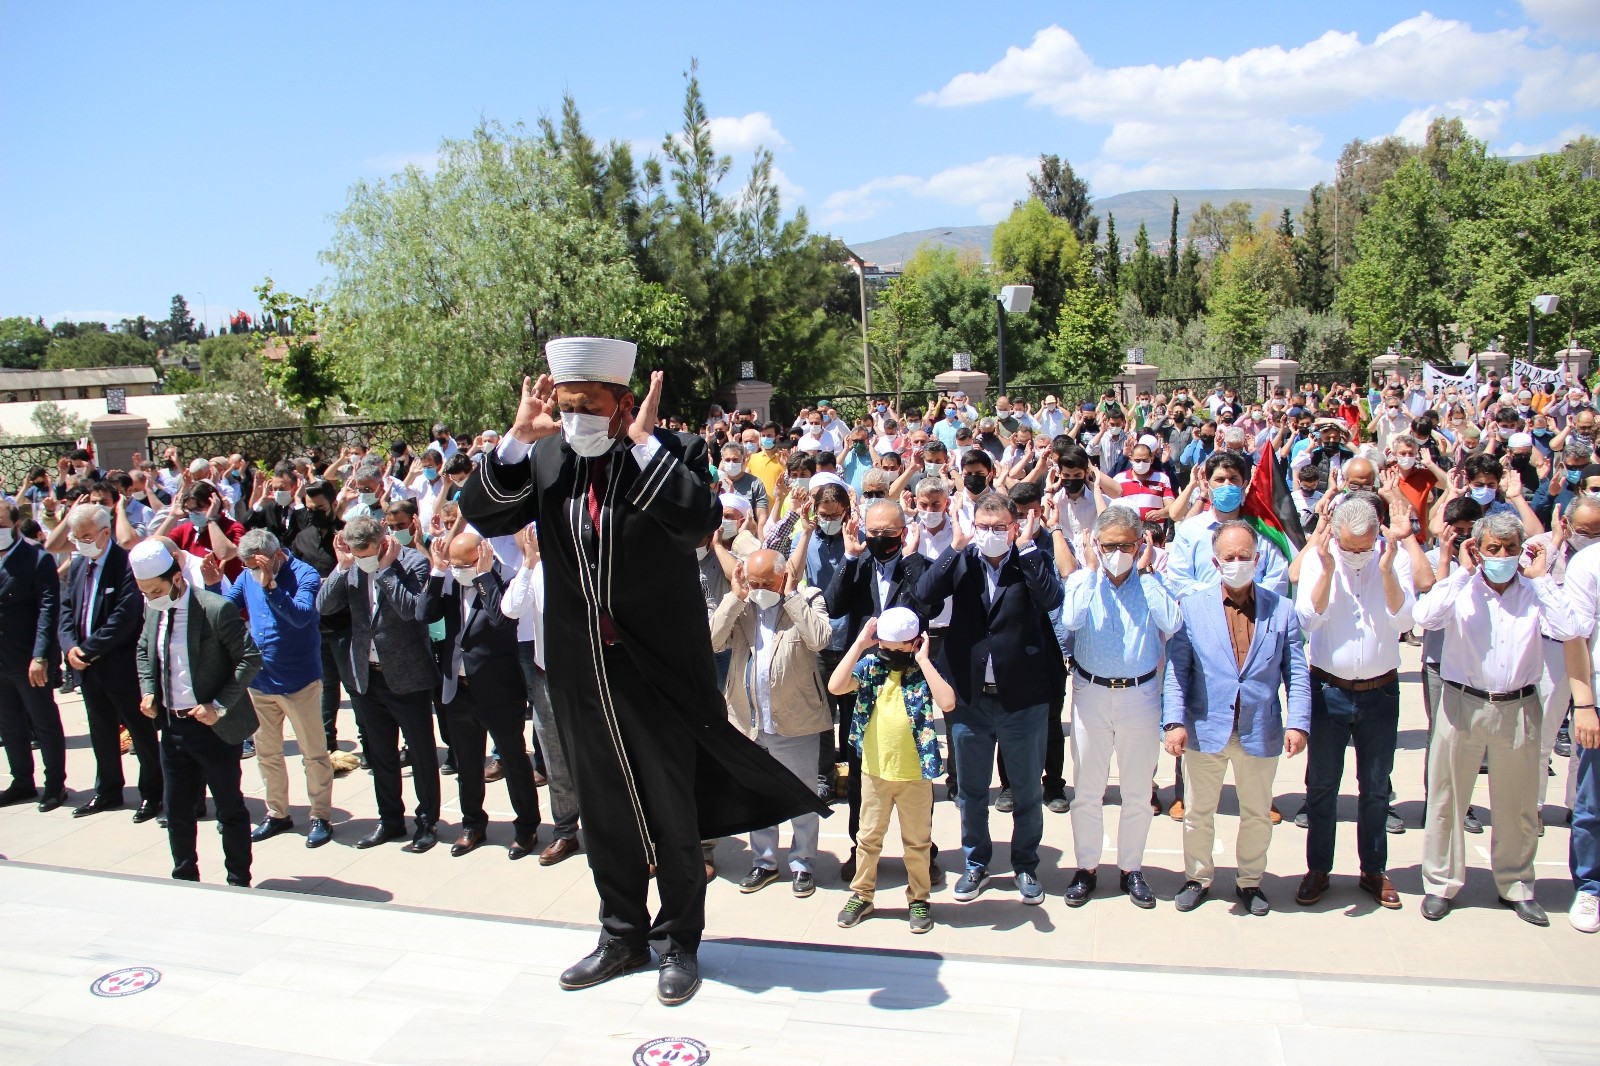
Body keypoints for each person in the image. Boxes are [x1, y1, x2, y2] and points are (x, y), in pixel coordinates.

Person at [456, 337, 826, 1007]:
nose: (574, 420)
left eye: (587, 407)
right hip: (581, 667)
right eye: (565, 407)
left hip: (659, 667)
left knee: (672, 805)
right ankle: (621, 933)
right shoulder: (546, 457)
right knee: (602, 806)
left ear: (622, 403)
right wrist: (516, 435)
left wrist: (642, 442)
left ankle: (680, 939)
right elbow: (485, 513)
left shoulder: (670, 452)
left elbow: (696, 520)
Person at [1413, 511, 1574, 926]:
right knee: (1448, 798)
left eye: (1510, 549)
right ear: (1479, 550)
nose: (1502, 555)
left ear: (1522, 552)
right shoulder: (1463, 589)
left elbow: (1570, 627)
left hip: (1519, 706)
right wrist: (1461, 574)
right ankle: (1440, 883)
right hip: (1462, 702)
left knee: (1518, 803)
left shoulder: (1534, 591)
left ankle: (1516, 884)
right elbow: (1425, 618)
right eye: (1493, 549)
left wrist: (1541, 579)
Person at [916, 491, 1063, 905]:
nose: (993, 535)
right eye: (985, 527)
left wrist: (1028, 548)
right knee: (972, 790)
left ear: (1014, 527)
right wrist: (956, 546)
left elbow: (1052, 599)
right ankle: (976, 862)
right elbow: (925, 594)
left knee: (1027, 791)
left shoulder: (1030, 558)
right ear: (973, 526)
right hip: (970, 699)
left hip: (1023, 698)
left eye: (1001, 528)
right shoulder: (962, 558)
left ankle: (1025, 864)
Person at [1163, 521, 1311, 915]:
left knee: (1258, 813)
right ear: (1215, 562)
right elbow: (1178, 671)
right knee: (1197, 812)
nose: (1237, 563)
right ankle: (1197, 877)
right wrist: (1173, 721)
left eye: (1245, 557)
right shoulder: (1192, 609)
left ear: (1257, 560)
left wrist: (1298, 722)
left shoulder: (1282, 610)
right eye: (1229, 558)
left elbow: (1296, 672)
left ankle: (1250, 881)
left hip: (1260, 728)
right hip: (1206, 728)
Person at [1293, 498, 1414, 910]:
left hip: (1380, 692)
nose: (1357, 555)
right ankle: (1318, 869)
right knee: (1322, 786)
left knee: (1376, 788)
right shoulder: (1320, 559)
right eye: (1350, 547)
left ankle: (1373, 869)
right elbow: (1307, 619)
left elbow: (1404, 620)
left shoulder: (1391, 558)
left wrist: (1384, 570)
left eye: (1365, 547)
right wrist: (1327, 569)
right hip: (1329, 690)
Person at [1060, 506, 1182, 909]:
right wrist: (1093, 569)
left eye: (1126, 545)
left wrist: (1146, 575)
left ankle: (1132, 869)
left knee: (1136, 792)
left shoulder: (1153, 584)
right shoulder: (1082, 580)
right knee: (1088, 791)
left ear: (1140, 544)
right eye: (1109, 545)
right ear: (1096, 543)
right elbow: (1072, 619)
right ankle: (1087, 868)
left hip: (1140, 697)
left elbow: (1172, 623)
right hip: (1091, 694)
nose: (1117, 552)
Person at [130, 539, 262, 887]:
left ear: (176, 579)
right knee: (176, 810)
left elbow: (250, 658)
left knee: (229, 809)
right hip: (173, 727)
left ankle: (238, 878)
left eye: (155, 589)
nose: (150, 597)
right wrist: (148, 691)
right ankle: (184, 876)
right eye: (144, 591)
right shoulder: (152, 609)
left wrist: (218, 705)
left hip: (214, 728)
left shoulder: (214, 609)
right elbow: (144, 651)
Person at [315, 514, 442, 854]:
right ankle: (390, 820)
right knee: (381, 754)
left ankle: (427, 822)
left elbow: (411, 611)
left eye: (366, 551)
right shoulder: (352, 566)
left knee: (421, 753)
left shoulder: (412, 562)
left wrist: (386, 571)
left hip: (408, 675)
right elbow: (324, 606)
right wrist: (341, 567)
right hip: (367, 676)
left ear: (383, 542)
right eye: (355, 553)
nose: (361, 558)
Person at [711, 548, 832, 897]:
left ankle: (803, 863)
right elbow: (713, 640)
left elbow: (820, 639)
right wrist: (735, 597)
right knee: (756, 795)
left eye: (768, 582)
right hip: (750, 722)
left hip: (795, 721)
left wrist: (792, 596)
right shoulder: (740, 604)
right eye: (754, 582)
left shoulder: (807, 599)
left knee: (803, 795)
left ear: (784, 576)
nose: (760, 588)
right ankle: (764, 862)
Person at [827, 607, 955, 934]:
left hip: (914, 775)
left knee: (917, 842)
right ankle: (862, 895)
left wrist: (924, 661)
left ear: (916, 643)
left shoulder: (923, 670)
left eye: (901, 650)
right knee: (868, 838)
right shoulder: (871, 667)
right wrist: (859, 645)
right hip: (873, 771)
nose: (892, 656)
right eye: (886, 649)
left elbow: (948, 702)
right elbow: (836, 686)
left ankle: (918, 899)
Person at [824, 498, 931, 880]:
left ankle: (923, 850)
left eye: (889, 533)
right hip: (866, 681)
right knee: (859, 769)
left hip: (911, 683)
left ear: (903, 532)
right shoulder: (859, 563)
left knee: (914, 768)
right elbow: (834, 606)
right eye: (874, 532)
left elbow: (926, 606)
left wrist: (914, 558)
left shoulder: (917, 566)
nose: (881, 539)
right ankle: (860, 846)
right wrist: (851, 558)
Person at [423, 528, 542, 859]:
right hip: (458, 690)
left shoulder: (502, 578)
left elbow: (500, 620)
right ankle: (472, 823)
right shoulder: (447, 580)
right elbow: (423, 614)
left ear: (484, 554)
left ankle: (527, 827)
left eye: (465, 563)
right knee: (467, 762)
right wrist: (437, 570)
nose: (458, 568)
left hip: (498, 689)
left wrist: (482, 575)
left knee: (514, 760)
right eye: (455, 563)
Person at [224, 529, 333, 849]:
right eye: (247, 566)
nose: (252, 571)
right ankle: (277, 812)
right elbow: (226, 609)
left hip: (299, 681)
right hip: (260, 681)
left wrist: (270, 585)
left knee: (313, 754)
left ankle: (321, 815)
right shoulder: (246, 577)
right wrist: (214, 584)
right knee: (267, 753)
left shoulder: (304, 574)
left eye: (256, 565)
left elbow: (302, 616)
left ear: (276, 555)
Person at [59, 504, 164, 821]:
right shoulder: (79, 566)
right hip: (87, 668)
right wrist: (69, 647)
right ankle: (107, 790)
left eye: (87, 536)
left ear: (106, 532)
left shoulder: (125, 565)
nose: (81, 542)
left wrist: (87, 649)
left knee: (140, 732)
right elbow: (67, 610)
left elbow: (125, 616)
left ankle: (153, 793)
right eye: (77, 537)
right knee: (101, 730)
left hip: (119, 664)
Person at [500, 523, 582, 866]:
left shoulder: (586, 567)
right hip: (547, 677)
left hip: (586, 678)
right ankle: (565, 831)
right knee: (555, 758)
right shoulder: (536, 571)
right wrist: (528, 564)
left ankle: (617, 830)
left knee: (599, 757)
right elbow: (511, 609)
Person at [0, 501, 67, 811]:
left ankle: (55, 784)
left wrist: (40, 656)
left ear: (14, 524)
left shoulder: (36, 560)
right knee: (10, 724)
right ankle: (22, 781)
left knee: (43, 722)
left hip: (29, 660)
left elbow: (47, 611)